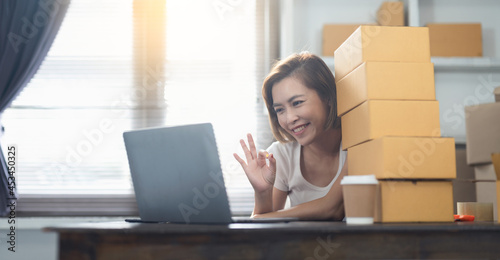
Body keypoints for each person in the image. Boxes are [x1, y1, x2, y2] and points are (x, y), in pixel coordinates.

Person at [233, 52, 347, 221]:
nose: (289, 118)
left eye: (297, 103)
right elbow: (262, 230)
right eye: (280, 110)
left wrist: (260, 218)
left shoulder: (358, 143)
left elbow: (332, 209)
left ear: (327, 97)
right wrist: (263, 192)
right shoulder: (280, 156)